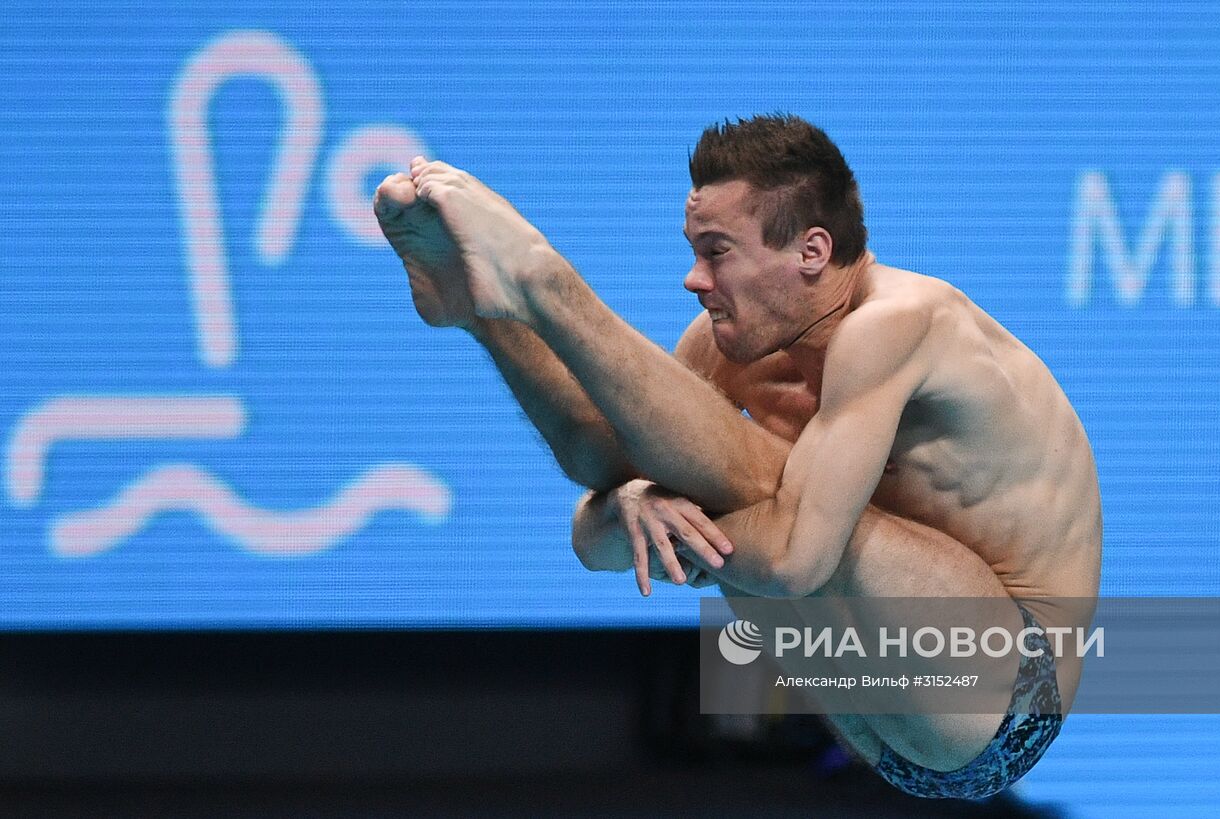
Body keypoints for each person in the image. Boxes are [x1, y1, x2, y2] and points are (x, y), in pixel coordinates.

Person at [373, 114, 1102, 799]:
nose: (695, 280)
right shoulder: (729, 349)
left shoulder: (900, 323)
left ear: (813, 252)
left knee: (769, 499)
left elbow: (794, 558)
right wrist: (632, 503)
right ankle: (486, 313)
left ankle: (545, 282)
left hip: (1008, 694)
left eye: (716, 253)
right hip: (876, 728)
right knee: (683, 468)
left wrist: (678, 527)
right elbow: (590, 521)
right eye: (694, 252)